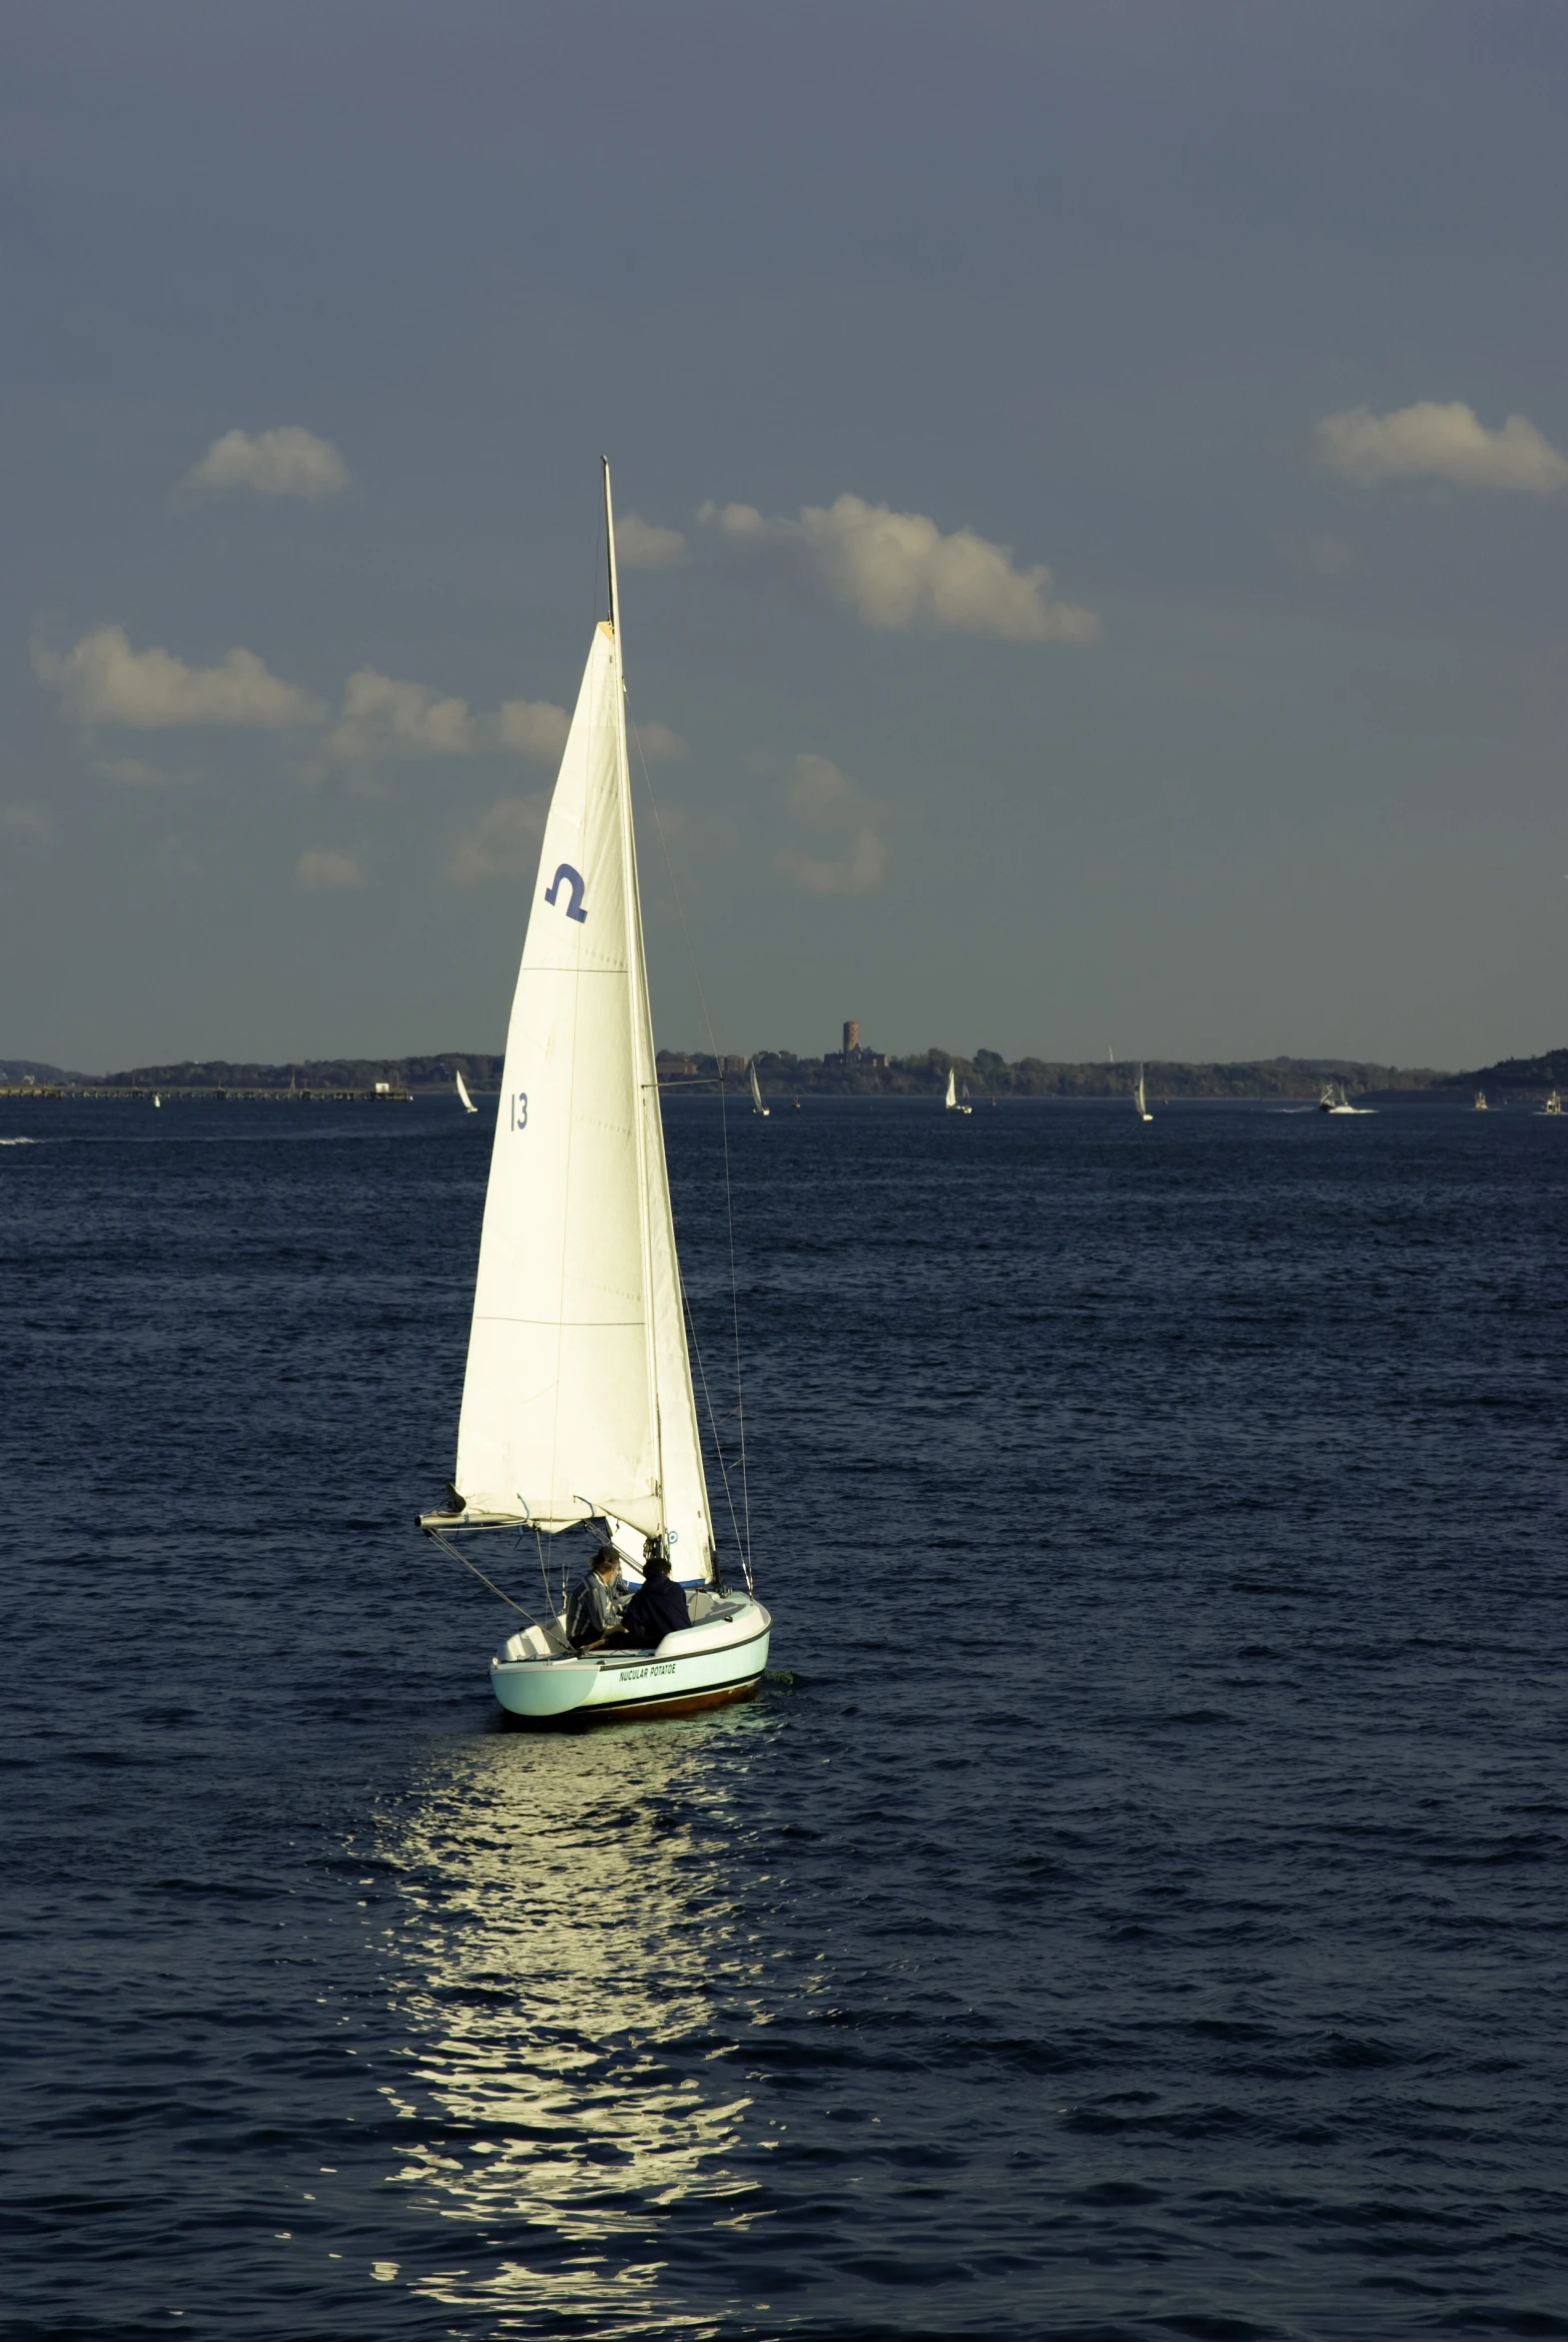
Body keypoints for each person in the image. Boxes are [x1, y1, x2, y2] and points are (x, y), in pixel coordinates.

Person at [606, 1544, 690, 1649]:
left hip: (663, 1645)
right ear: (667, 1574)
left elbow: (627, 1627)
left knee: (617, 1637)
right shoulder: (677, 1589)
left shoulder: (642, 1595)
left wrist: (608, 1632)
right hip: (686, 1639)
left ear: (646, 1575)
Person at [565, 1547, 627, 1651]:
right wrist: (626, 1622)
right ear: (612, 1568)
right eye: (617, 1569)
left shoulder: (597, 1580)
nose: (617, 1573)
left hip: (591, 1634)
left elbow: (612, 1606)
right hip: (581, 1641)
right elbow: (602, 1624)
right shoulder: (595, 1587)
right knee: (630, 1638)